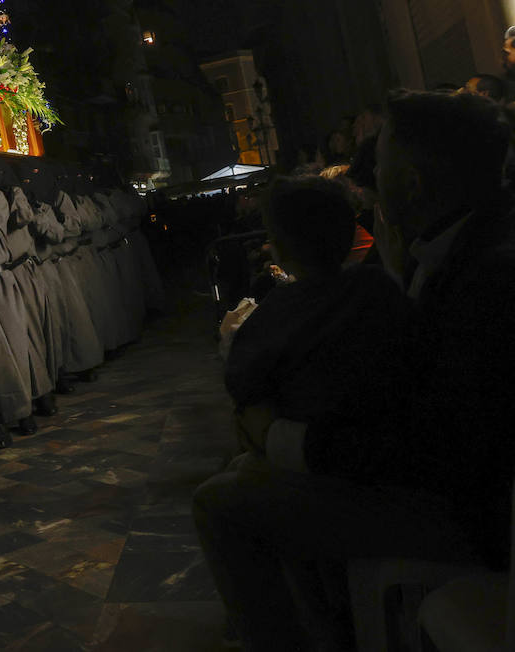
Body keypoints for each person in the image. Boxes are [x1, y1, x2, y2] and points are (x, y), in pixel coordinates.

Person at [195, 91, 515, 651]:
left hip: (468, 514)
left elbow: (439, 445)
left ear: (412, 182)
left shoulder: (490, 277)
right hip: (437, 478)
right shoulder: (453, 244)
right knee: (247, 473)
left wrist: (282, 437)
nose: (366, 176)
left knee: (221, 505)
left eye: (380, 159)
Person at [222, 177, 408, 431]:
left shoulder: (278, 310)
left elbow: (241, 381)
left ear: (279, 249)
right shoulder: (375, 285)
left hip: (308, 436)